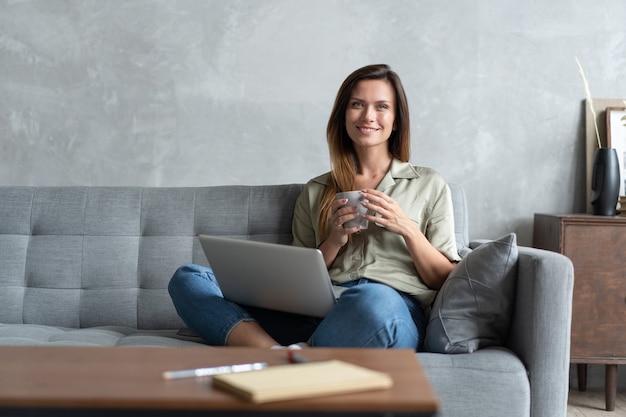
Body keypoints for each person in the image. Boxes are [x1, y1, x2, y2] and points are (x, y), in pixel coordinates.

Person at [168, 64, 460, 350]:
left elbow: (442, 278)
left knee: (372, 297)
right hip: (318, 310)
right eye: (357, 104)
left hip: (390, 310)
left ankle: (300, 352)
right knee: (189, 279)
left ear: (396, 120)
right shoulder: (317, 190)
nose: (369, 116)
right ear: (343, 116)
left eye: (382, 106)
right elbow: (298, 280)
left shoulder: (428, 183)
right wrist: (334, 240)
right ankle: (276, 354)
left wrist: (406, 228)